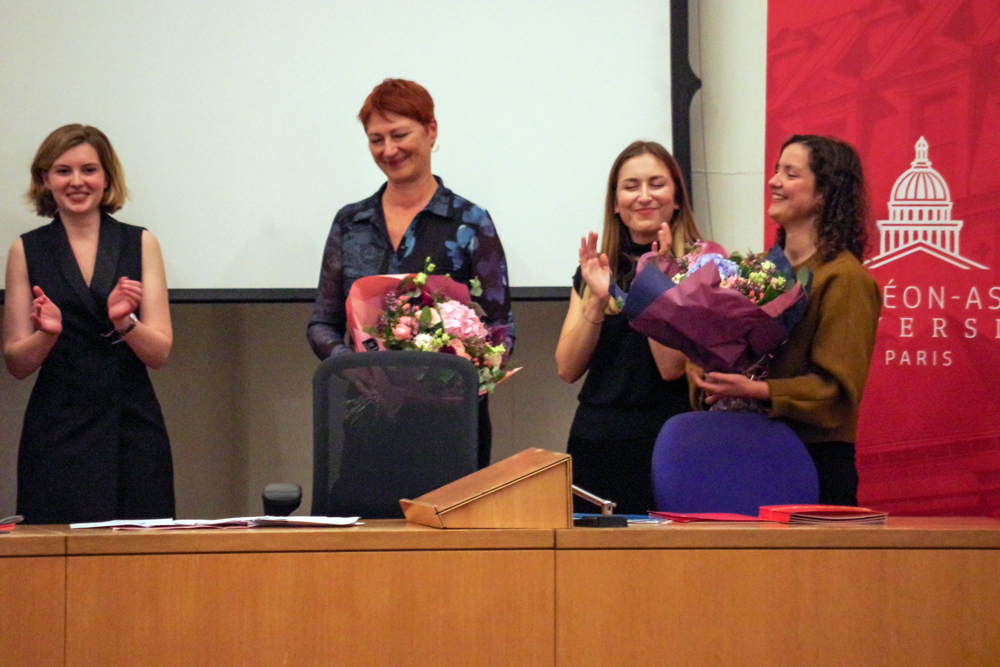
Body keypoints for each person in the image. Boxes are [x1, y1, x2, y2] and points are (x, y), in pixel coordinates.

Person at [307, 79, 514, 470]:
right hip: (368, 418)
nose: (389, 150)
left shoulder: (470, 221)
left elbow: (501, 325)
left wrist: (462, 376)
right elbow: (321, 323)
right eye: (376, 139)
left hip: (450, 423)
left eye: (400, 134)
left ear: (431, 130)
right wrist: (354, 366)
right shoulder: (351, 222)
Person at [691, 135, 881, 506]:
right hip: (744, 453)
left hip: (812, 463)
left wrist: (757, 391)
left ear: (824, 193)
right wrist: (703, 366)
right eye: (777, 170)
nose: (773, 181)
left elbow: (835, 393)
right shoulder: (756, 271)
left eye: (790, 173)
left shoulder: (845, 278)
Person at [3, 124, 174, 524]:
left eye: (89, 170)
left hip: (131, 422)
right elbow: (16, 363)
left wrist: (126, 323)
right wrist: (46, 335)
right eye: (63, 171)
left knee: (140, 557)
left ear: (107, 178)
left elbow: (160, 353)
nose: (77, 182)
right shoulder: (26, 249)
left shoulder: (140, 242)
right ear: (45, 180)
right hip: (57, 426)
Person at [555, 141, 702, 514]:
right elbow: (568, 368)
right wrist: (596, 300)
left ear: (677, 198)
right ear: (616, 203)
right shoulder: (597, 269)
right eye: (631, 186)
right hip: (596, 436)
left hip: (665, 439)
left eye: (656, 184)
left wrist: (652, 281)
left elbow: (671, 369)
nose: (643, 196)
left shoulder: (699, 266)